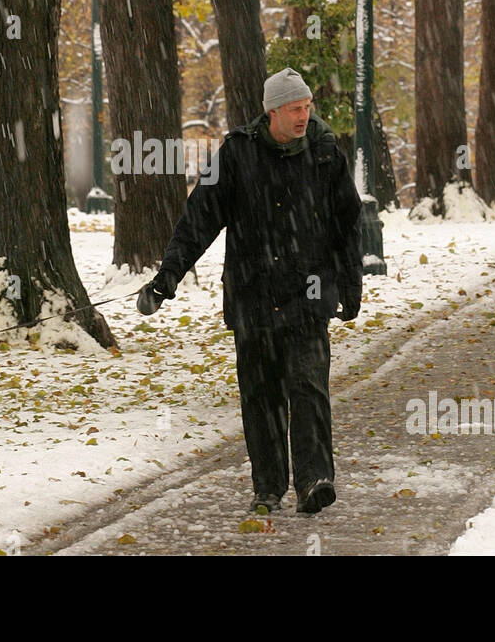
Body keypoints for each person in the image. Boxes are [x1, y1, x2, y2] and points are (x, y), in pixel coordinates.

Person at [137, 68, 363, 515]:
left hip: (308, 293)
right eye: (296, 108)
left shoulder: (324, 154)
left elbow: (347, 224)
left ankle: (315, 478)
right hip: (252, 296)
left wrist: (349, 285)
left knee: (308, 387)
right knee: (260, 396)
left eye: (307, 107)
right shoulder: (237, 154)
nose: (304, 115)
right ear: (273, 111)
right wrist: (167, 278)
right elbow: (198, 220)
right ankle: (269, 486)